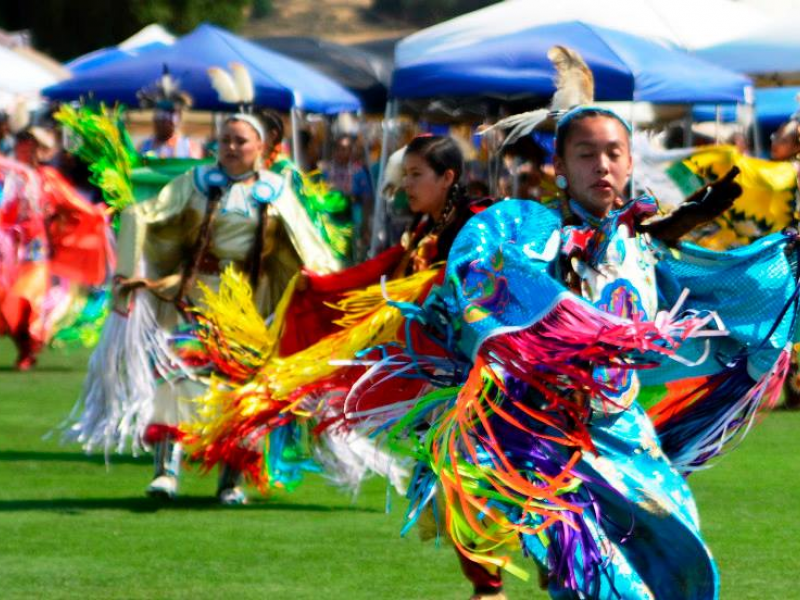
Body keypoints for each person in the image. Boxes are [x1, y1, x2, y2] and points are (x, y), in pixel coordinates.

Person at [342, 106, 795, 599]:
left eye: (612, 153)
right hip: (544, 442)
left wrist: (784, 259)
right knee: (601, 585)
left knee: (678, 563)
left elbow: (718, 291)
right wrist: (577, 322)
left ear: (628, 166)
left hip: (624, 435)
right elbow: (489, 268)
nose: (600, 165)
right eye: (585, 154)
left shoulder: (640, 246)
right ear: (559, 166)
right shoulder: (531, 230)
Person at [178, 135, 493, 497]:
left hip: (468, 364)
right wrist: (322, 287)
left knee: (462, 463)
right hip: (424, 360)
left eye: (416, 174)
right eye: (405, 174)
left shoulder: (477, 224)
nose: (407, 184)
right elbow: (379, 271)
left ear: (447, 177)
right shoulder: (424, 229)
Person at [72, 112, 341, 504]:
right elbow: (149, 213)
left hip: (251, 306)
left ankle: (231, 481)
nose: (230, 148)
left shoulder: (276, 190)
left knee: (242, 390)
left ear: (261, 148)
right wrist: (131, 255)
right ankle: (166, 471)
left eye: (240, 141)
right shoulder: (196, 182)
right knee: (180, 372)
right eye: (226, 140)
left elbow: (309, 246)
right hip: (198, 296)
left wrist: (330, 286)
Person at [0, 127, 111, 369]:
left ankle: (28, 351)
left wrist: (97, 213)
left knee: (27, 298)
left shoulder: (47, 178)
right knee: (6, 300)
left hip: (36, 252)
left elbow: (73, 203)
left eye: (30, 145)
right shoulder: (9, 175)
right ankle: (25, 349)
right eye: (21, 144)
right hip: (9, 252)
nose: (24, 150)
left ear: (39, 150)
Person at [137, 76, 203, 160]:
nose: (164, 120)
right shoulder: (143, 147)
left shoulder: (189, 147)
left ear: (179, 118)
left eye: (170, 114)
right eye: (160, 114)